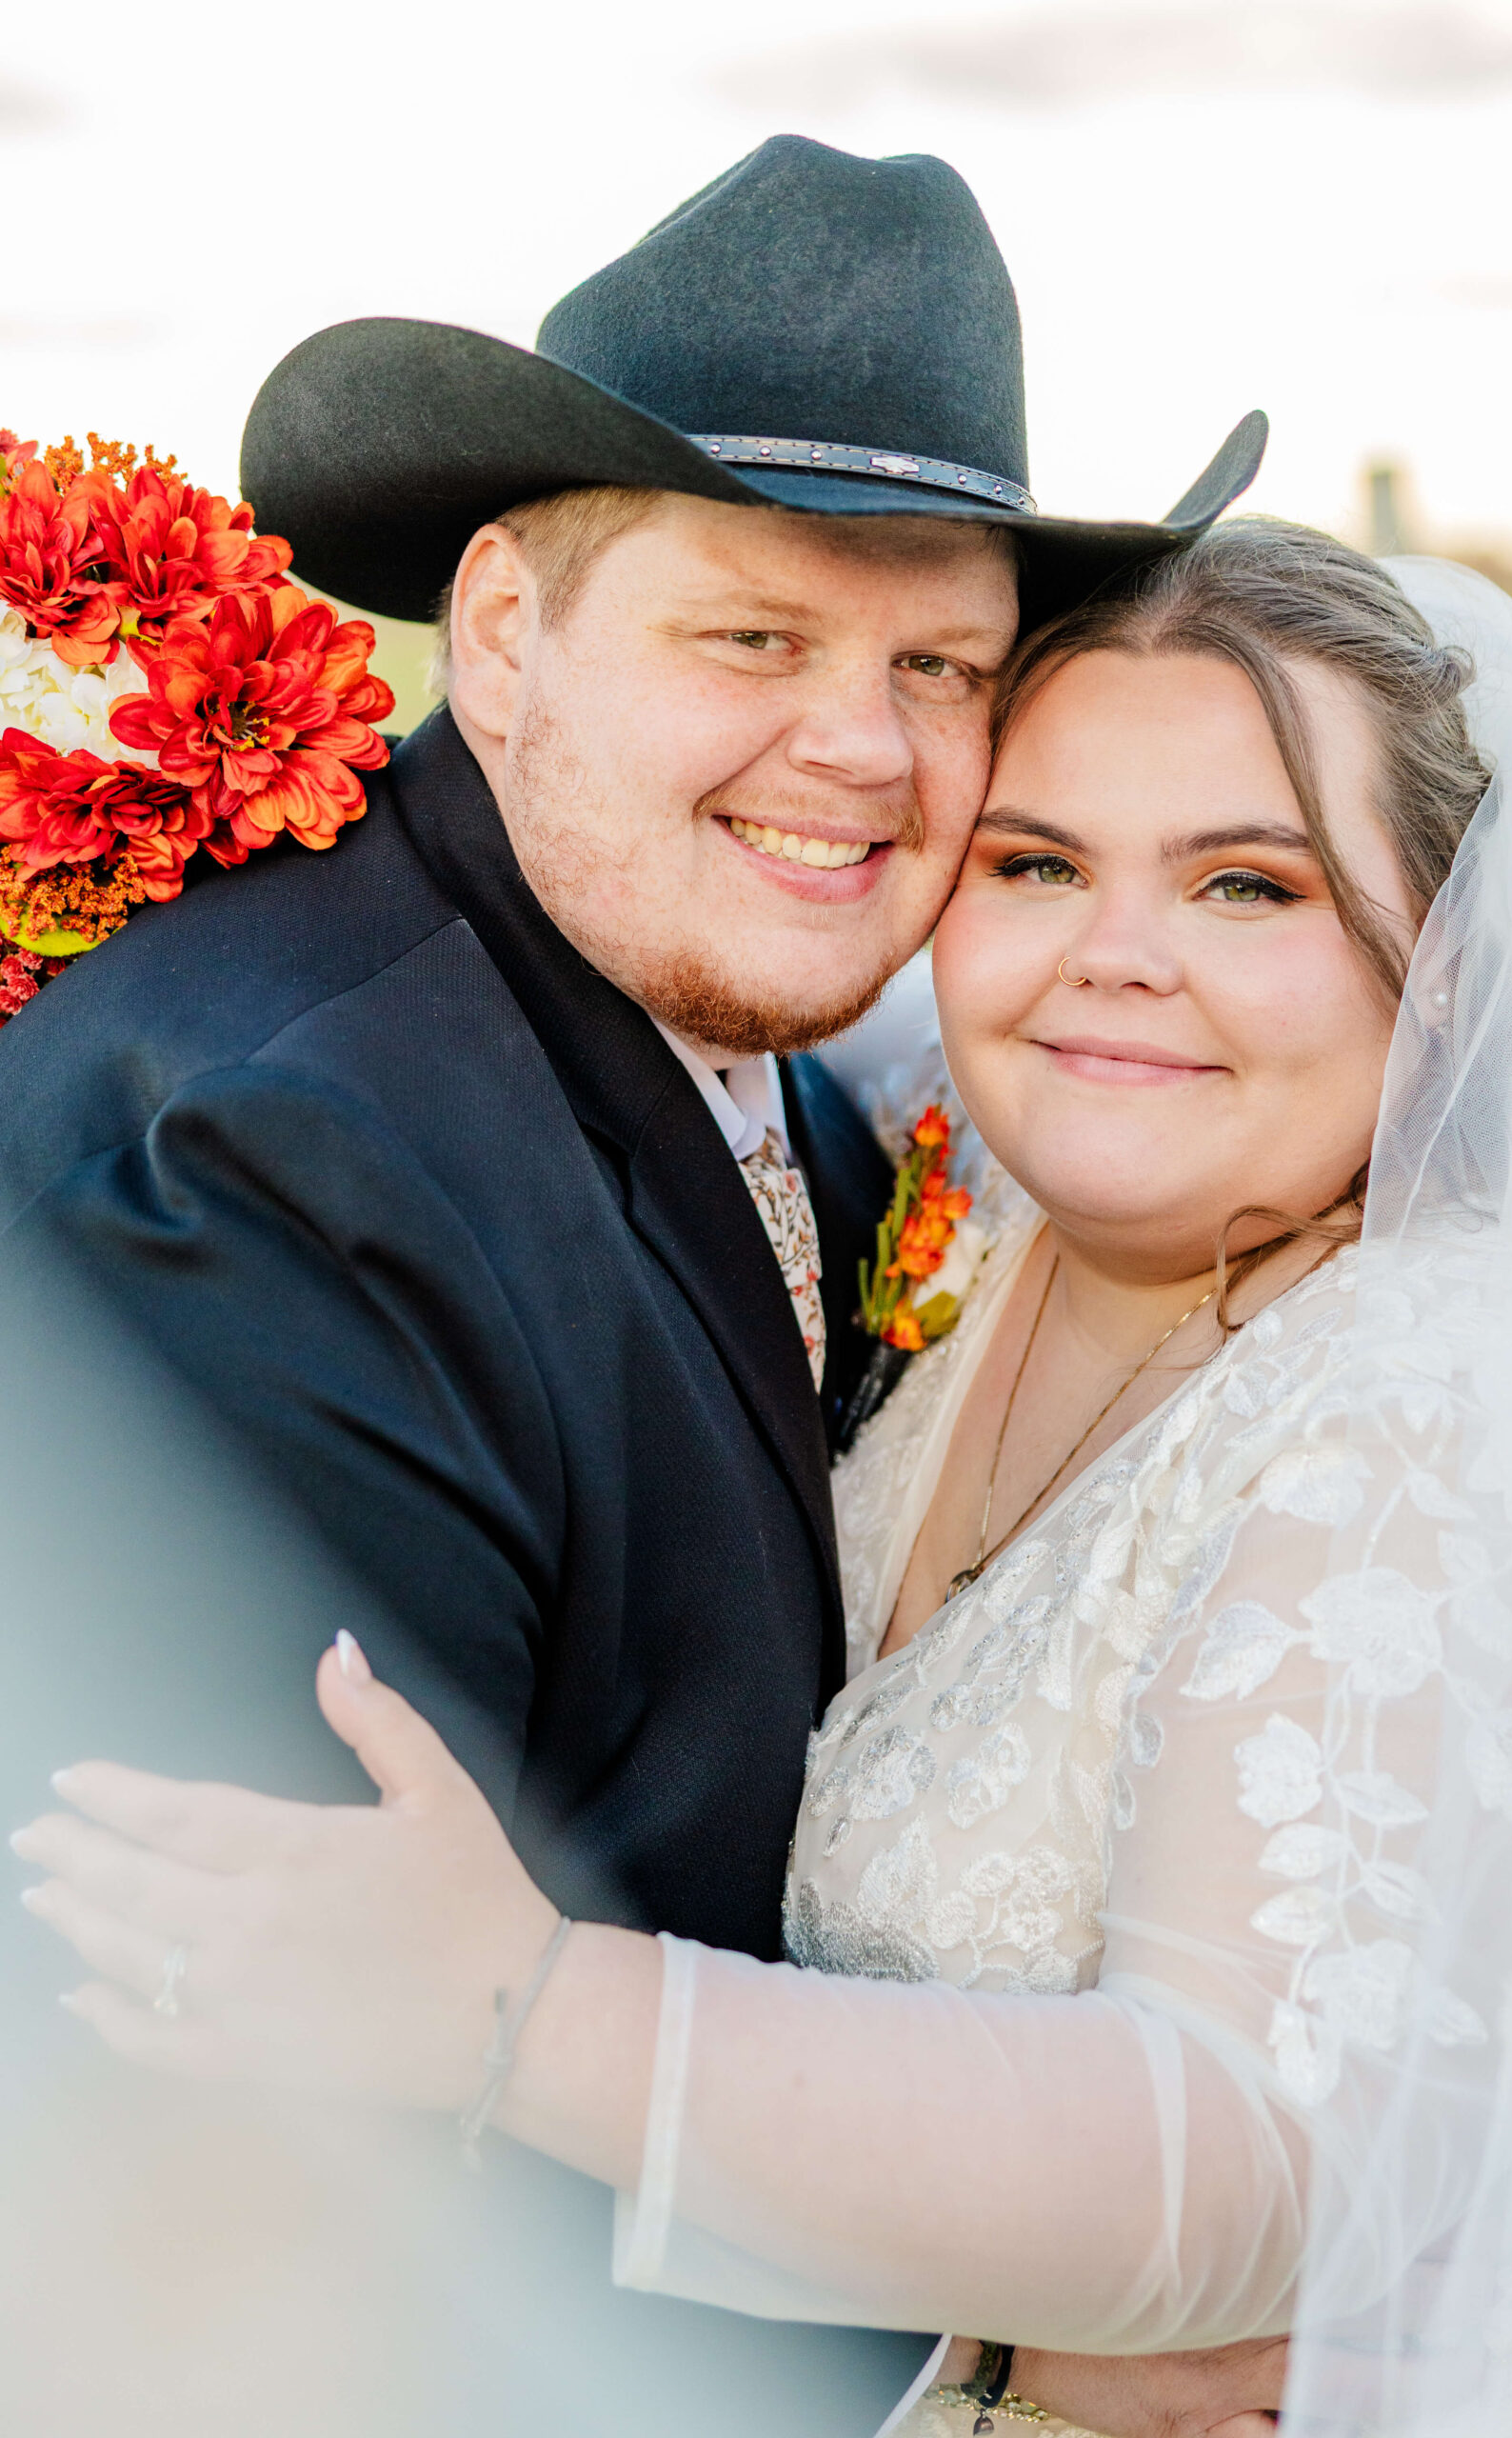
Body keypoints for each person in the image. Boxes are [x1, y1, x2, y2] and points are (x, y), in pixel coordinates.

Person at [29, 516, 1512, 2436]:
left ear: (1442, 966)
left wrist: (523, 2006)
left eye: (1245, 886)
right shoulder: (955, 1218)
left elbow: (1246, 2148)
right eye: (1034, 863)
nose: (1114, 958)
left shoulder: (1431, 1402)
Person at [0, 136, 1268, 2434]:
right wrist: (992, 2339)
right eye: (750, 636)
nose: (861, 748)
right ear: (502, 633)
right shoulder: (280, 1159)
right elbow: (253, 2131)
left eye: (936, 662)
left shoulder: (779, 1066)